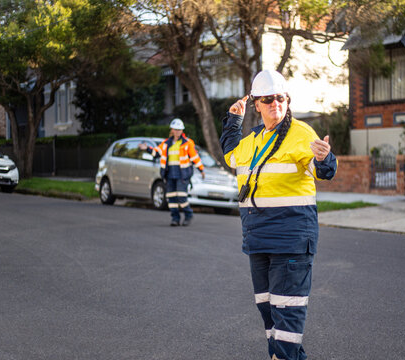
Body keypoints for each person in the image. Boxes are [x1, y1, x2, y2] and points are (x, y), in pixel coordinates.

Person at [220, 70, 337, 360]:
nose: (276, 103)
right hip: (258, 241)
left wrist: (324, 159)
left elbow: (321, 170)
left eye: (281, 98)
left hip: (291, 241)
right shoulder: (254, 139)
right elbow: (231, 155)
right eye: (269, 99)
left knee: (287, 317)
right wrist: (233, 120)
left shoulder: (301, 133)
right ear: (256, 104)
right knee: (269, 312)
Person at [139, 118, 205, 226]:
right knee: (171, 197)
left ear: (182, 130)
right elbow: (156, 153)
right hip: (169, 174)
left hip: (182, 174)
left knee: (181, 196)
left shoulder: (187, 143)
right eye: (176, 129)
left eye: (179, 129)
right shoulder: (166, 143)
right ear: (172, 130)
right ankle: (175, 218)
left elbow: (195, 158)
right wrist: (147, 148)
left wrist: (201, 170)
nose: (178, 131)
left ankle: (188, 215)